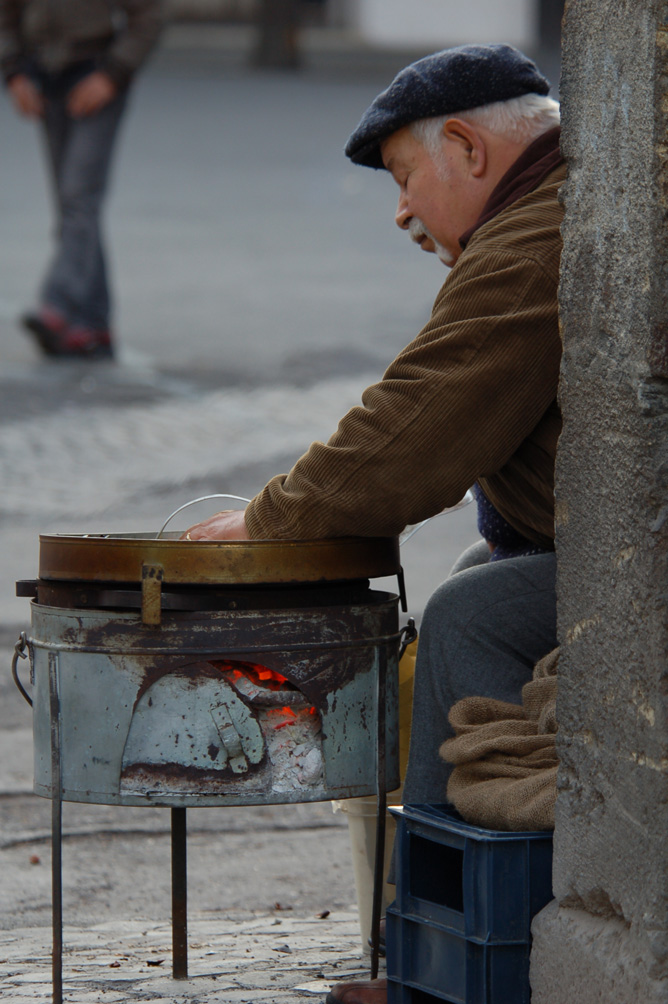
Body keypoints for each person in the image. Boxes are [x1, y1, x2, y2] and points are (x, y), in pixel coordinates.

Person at [183, 44, 565, 1004]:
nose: (401, 211)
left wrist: (274, 521)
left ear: (469, 150)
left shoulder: (535, 242)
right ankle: (442, 938)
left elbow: (415, 425)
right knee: (481, 580)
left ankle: (444, 965)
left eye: (404, 178)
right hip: (583, 543)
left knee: (474, 611)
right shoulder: (551, 211)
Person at [0, 0, 163, 359]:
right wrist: (13, 71)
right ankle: (93, 326)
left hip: (96, 71)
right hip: (44, 75)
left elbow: (149, 15)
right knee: (74, 205)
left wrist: (114, 74)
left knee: (78, 195)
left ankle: (59, 303)